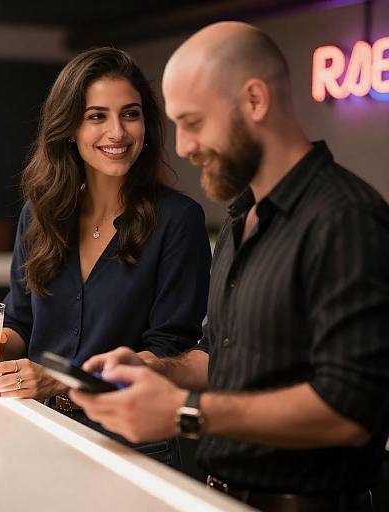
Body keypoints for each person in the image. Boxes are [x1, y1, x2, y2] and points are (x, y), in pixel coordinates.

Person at [71, 23, 389, 511]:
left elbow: (350, 411)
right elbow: (228, 360)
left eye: (193, 122)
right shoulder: (242, 220)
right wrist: (155, 369)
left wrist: (184, 412)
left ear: (255, 101)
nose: (181, 146)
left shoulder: (343, 218)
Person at [0, 47, 211, 468]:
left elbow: (168, 355)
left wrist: (61, 380)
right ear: (70, 127)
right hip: (40, 427)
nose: (118, 133)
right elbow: (20, 326)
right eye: (96, 116)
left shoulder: (178, 220)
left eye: (130, 113)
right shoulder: (41, 214)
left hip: (132, 444)